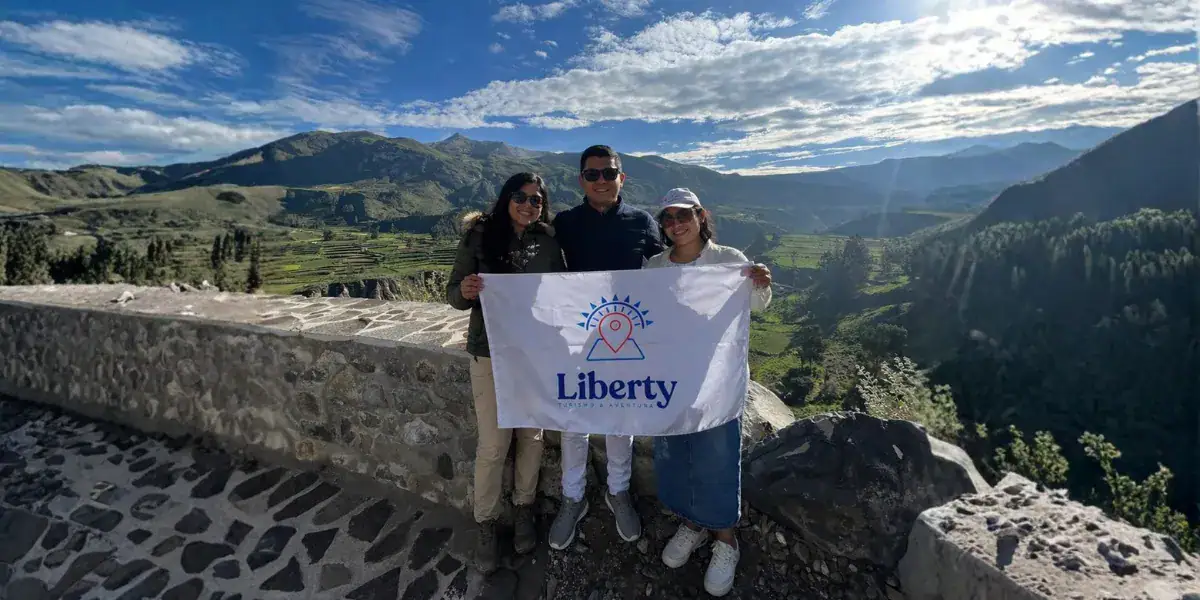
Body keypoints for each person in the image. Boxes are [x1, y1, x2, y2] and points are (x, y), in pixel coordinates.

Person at [645, 188, 772, 597]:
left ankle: (725, 540)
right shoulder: (653, 267)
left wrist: (760, 282)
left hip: (717, 382)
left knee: (716, 456)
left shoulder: (729, 261)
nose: (676, 224)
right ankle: (693, 523)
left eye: (684, 215)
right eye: (668, 218)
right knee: (676, 454)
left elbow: (756, 307)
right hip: (670, 381)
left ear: (701, 216)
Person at [446, 172, 566, 573]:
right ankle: (485, 522)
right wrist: (465, 291)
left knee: (531, 437)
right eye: (521, 197)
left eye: (537, 199)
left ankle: (523, 510)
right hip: (489, 352)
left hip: (532, 354)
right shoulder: (480, 236)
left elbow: (562, 293)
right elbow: (452, 295)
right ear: (506, 198)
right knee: (494, 444)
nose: (528, 205)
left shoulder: (548, 243)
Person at [547, 144, 664, 550]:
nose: (600, 180)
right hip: (576, 337)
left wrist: (735, 279)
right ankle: (573, 497)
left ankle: (619, 491)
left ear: (621, 177)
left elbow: (668, 274)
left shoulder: (643, 223)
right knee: (573, 421)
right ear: (581, 179)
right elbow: (533, 266)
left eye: (608, 173)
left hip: (627, 339)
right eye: (592, 174)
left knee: (621, 417)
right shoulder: (564, 223)